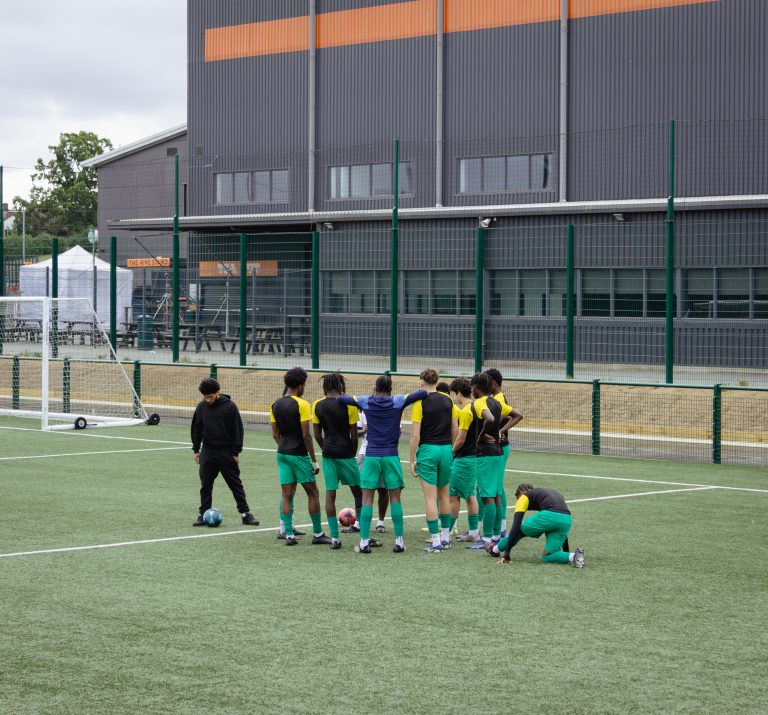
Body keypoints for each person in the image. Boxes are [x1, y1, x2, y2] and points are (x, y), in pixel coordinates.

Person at [338, 375, 427, 554]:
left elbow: (342, 399)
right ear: (390, 388)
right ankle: (399, 542)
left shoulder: (366, 401)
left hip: (371, 456)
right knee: (395, 498)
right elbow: (422, 393)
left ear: (376, 388)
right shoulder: (398, 401)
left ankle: (364, 542)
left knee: (367, 498)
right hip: (391, 456)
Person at [270, 367, 331, 546]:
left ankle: (288, 534)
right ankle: (318, 533)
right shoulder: (302, 404)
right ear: (300, 385)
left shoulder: (275, 403)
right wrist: (313, 460)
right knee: (313, 493)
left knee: (286, 494)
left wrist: (284, 446)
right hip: (298, 454)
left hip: (282, 453)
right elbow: (306, 435)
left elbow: (275, 434)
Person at [191, 378, 260, 527]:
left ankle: (245, 514)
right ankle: (203, 514)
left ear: (218, 392)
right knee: (205, 485)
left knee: (235, 484)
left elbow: (237, 430)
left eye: (210, 396)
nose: (208, 400)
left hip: (226, 452)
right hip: (207, 451)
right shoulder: (201, 407)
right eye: (205, 397)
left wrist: (236, 451)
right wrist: (196, 449)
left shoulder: (230, 407)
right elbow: (196, 428)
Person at [409, 368, 459, 552]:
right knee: (444, 495)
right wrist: (451, 449)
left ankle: (436, 541)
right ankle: (446, 537)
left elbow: (415, 436)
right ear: (437, 381)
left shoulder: (419, 401)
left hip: (428, 450)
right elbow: (455, 429)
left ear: (422, 381)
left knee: (430, 498)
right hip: (446, 449)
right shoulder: (448, 400)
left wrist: (412, 459)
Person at [466, 372, 515, 550]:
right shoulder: (496, 402)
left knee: (487, 497)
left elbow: (490, 418)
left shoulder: (479, 403)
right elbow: (517, 415)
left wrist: (480, 436)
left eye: (472, 386)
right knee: (495, 496)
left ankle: (486, 539)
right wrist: (500, 433)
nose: (471, 390)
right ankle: (496, 534)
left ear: (477, 387)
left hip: (485, 454)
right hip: (498, 452)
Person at [312, 373, 360, 549]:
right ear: (340, 386)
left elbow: (317, 434)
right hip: (346, 453)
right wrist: (351, 453)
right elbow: (354, 435)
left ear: (325, 387)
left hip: (328, 454)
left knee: (330, 494)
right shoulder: (349, 404)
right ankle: (363, 535)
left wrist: (325, 448)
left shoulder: (317, 405)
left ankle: (334, 538)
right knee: (359, 492)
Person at [488, 483, 585, 568]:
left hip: (549, 516)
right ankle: (574, 556)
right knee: (547, 556)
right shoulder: (548, 495)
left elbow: (515, 528)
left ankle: (494, 550)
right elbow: (560, 522)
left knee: (520, 530)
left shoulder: (524, 497)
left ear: (522, 492)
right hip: (566, 520)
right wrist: (566, 553)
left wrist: (506, 555)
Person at [486, 368, 523, 537]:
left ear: (493, 382)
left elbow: (511, 416)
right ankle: (500, 528)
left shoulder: (499, 398)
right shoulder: (496, 397)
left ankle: (501, 529)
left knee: (497, 488)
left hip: (500, 446)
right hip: (499, 446)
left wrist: (500, 431)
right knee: (496, 487)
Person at [448, 377, 480, 543]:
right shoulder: (475, 408)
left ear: (459, 393)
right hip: (472, 458)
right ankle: (474, 531)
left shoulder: (467, 411)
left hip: (464, 459)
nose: (454, 397)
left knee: (454, 496)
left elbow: (460, 439)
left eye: (454, 394)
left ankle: (446, 531)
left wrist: (451, 453)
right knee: (469, 495)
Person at [349, 411, 389, 534]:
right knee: (362, 490)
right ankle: (359, 523)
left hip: (384, 454)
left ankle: (380, 523)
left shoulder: (391, 410)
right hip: (365, 454)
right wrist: (365, 430)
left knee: (383, 490)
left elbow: (397, 432)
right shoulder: (364, 411)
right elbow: (355, 433)